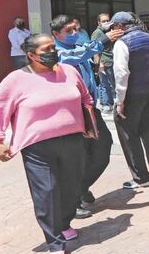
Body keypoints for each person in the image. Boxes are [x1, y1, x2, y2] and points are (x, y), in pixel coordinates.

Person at [0, 34, 93, 254]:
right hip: (36, 146)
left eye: (53, 47)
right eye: (46, 48)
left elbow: (85, 97)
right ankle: (54, 243)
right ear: (31, 55)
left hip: (73, 140)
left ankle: (64, 223)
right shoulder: (15, 80)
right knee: (47, 191)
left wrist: (90, 122)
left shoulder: (68, 71)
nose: (52, 51)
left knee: (72, 187)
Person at [51, 14, 123, 218]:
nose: (75, 34)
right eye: (69, 31)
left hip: (89, 107)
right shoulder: (57, 52)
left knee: (102, 147)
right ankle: (72, 201)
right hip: (71, 112)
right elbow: (77, 56)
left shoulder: (77, 47)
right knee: (77, 157)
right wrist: (103, 40)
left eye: (76, 29)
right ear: (56, 34)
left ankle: (80, 187)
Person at [112, 11, 149, 189]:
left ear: (121, 26)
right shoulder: (148, 38)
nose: (113, 31)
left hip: (131, 95)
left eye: (114, 27)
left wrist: (120, 101)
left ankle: (141, 177)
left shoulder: (121, 43)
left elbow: (121, 73)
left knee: (129, 135)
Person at [91, 13, 116, 113]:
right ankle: (106, 105)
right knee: (107, 84)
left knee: (106, 84)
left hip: (110, 60)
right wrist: (99, 64)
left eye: (107, 20)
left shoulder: (108, 31)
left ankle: (108, 104)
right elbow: (94, 48)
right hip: (105, 62)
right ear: (99, 22)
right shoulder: (97, 33)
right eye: (103, 21)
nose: (106, 23)